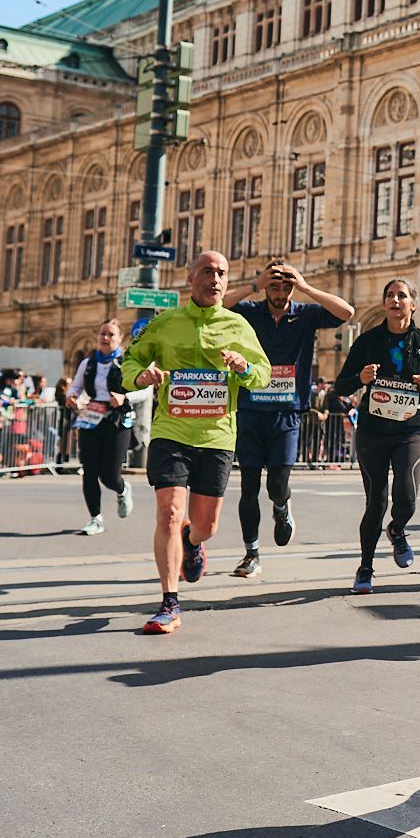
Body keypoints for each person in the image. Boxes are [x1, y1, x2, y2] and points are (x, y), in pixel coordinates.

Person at [120, 251, 272, 635]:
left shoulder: (237, 325)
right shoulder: (165, 323)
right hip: (171, 430)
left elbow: (264, 375)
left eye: (221, 273)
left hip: (217, 435)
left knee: (206, 526)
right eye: (207, 271)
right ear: (190, 279)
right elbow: (129, 363)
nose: (215, 279)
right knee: (168, 513)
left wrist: (244, 367)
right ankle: (170, 603)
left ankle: (193, 541)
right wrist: (142, 376)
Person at [222, 260, 355, 579]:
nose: (280, 293)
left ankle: (282, 509)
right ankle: (251, 553)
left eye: (286, 287)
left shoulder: (305, 314)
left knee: (277, 485)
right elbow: (219, 305)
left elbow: (346, 313)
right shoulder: (250, 310)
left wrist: (307, 288)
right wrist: (254, 284)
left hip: (287, 412)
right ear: (266, 286)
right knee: (249, 487)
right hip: (251, 408)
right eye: (274, 286)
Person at [331, 278, 420, 592]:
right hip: (373, 430)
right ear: (385, 304)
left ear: (414, 304)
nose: (395, 300)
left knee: (406, 497)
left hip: (409, 429)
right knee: (375, 502)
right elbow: (341, 385)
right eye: (390, 296)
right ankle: (365, 568)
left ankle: (397, 529)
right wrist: (360, 377)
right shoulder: (367, 341)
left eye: (402, 295)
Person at [67, 319, 135, 535]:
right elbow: (75, 386)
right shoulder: (88, 363)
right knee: (89, 470)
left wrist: (124, 397)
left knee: (109, 475)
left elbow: (145, 390)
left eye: (111, 335)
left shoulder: (127, 361)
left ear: (120, 339)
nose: (105, 338)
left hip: (118, 419)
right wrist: (72, 396)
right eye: (102, 334)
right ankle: (95, 518)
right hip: (92, 416)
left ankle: (122, 489)